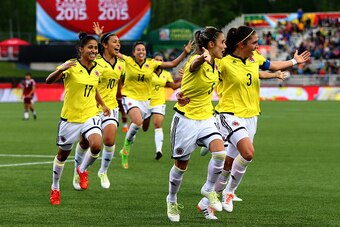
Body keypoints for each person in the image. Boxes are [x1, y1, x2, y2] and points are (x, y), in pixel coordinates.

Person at [197, 25, 310, 215]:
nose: (258, 46)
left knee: (228, 164)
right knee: (248, 153)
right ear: (241, 44)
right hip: (230, 114)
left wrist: (294, 61)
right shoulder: (223, 63)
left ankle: (206, 205)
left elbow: (271, 65)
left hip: (251, 116)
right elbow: (205, 79)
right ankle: (229, 192)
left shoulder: (253, 58)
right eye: (254, 43)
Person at [93, 22, 192, 169]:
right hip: (130, 97)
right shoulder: (127, 60)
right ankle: (126, 148)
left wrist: (185, 52)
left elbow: (172, 64)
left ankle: (125, 149)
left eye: (143, 50)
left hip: (146, 100)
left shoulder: (152, 63)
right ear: (133, 52)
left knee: (140, 126)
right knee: (138, 121)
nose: (141, 52)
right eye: (138, 50)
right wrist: (101, 36)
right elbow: (111, 49)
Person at [166, 26, 227, 222]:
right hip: (186, 120)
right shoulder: (197, 60)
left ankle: (208, 189)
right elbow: (193, 66)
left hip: (206, 118)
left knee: (220, 153)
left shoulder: (215, 64)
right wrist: (203, 57)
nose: (224, 46)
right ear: (210, 45)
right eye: (222, 42)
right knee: (181, 166)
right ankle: (172, 199)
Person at [47, 32, 110, 205]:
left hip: (90, 114)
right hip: (70, 118)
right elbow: (49, 81)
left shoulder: (97, 68)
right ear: (81, 49)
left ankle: (82, 169)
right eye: (90, 47)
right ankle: (55, 187)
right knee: (62, 155)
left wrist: (103, 105)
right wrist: (61, 69)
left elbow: (93, 88)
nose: (94, 50)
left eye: (95, 47)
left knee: (97, 145)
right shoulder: (71, 66)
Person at [73, 27, 126, 190]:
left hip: (111, 108)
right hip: (92, 108)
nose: (118, 45)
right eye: (115, 42)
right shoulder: (96, 63)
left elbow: (119, 86)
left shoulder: (122, 65)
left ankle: (103, 171)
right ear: (105, 45)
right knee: (84, 142)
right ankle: (77, 171)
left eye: (119, 42)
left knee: (109, 141)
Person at [142, 52, 182, 160]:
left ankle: (158, 150)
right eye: (157, 59)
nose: (159, 62)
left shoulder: (166, 74)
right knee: (144, 128)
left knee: (157, 124)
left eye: (161, 60)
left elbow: (173, 86)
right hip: (146, 102)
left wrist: (185, 79)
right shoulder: (148, 72)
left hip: (159, 102)